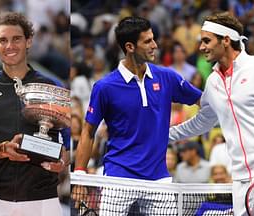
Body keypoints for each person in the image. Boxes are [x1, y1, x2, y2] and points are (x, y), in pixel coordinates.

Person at [74, 16, 201, 215]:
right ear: (130, 47)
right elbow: (88, 132)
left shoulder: (167, 77)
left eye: (153, 39)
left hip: (158, 178)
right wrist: (80, 177)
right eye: (148, 41)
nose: (155, 45)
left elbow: (204, 101)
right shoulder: (105, 87)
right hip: (119, 177)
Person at [0, 12, 70, 216]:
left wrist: (63, 161)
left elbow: (68, 142)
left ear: (29, 41)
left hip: (44, 200)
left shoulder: (52, 86)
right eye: (2, 40)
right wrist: (2, 149)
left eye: (16, 39)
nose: (9, 46)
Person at [169, 12, 254, 215]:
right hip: (239, 180)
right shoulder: (212, 83)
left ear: (226, 40)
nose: (201, 47)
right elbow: (202, 122)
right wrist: (166, 135)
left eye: (206, 40)